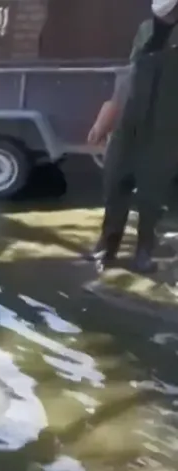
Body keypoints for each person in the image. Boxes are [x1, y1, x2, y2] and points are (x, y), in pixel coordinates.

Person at [85, 0, 178, 274]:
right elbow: (127, 78)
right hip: (129, 121)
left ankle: (144, 251)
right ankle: (107, 245)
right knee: (115, 182)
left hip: (165, 128)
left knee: (152, 192)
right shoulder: (145, 30)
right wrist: (104, 120)